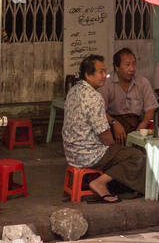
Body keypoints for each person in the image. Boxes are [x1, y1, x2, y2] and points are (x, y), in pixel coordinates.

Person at [62, 54, 147, 203]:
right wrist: (116, 147)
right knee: (135, 156)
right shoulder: (94, 97)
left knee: (120, 152)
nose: (104, 76)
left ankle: (106, 181)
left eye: (105, 72)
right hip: (89, 155)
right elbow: (104, 135)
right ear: (88, 75)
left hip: (71, 153)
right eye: (101, 72)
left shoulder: (73, 91)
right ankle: (99, 183)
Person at [102, 48, 158, 143]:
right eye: (127, 65)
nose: (132, 69)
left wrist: (144, 124)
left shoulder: (143, 82)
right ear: (117, 67)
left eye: (134, 64)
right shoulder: (106, 83)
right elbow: (100, 111)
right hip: (115, 125)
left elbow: (150, 108)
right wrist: (114, 123)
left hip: (137, 124)